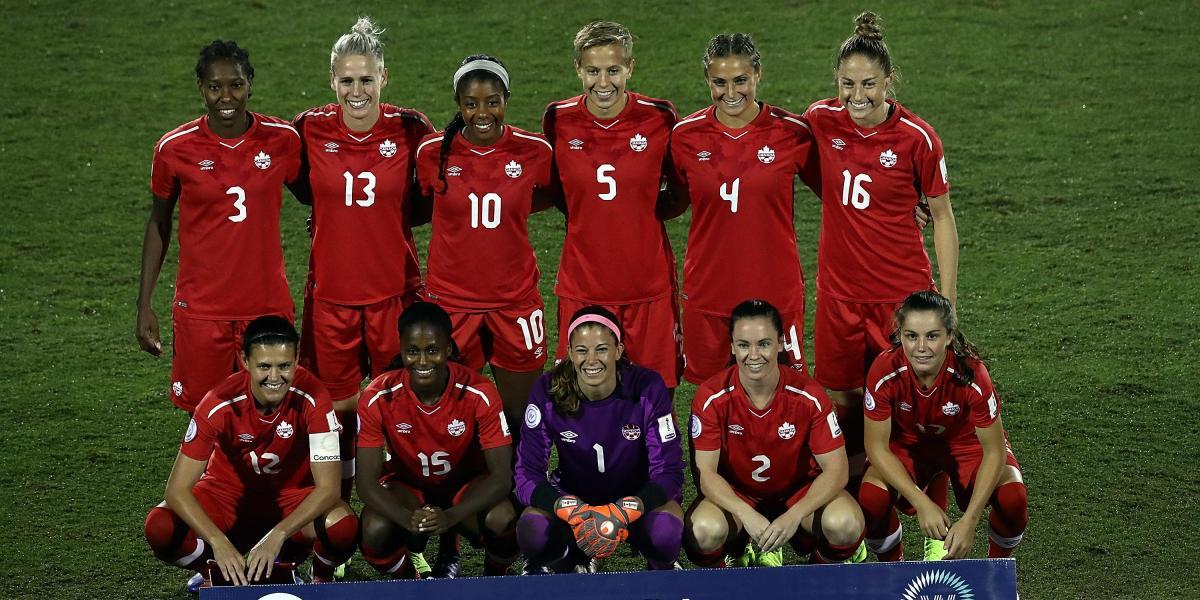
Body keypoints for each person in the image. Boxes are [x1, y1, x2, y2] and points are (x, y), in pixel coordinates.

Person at [803, 12, 959, 557]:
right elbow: (804, 170)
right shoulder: (820, 120)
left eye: (868, 84)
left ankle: (933, 537)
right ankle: (858, 528)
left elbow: (941, 215)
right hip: (840, 298)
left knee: (914, 413)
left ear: (888, 81)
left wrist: (946, 304)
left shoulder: (918, 138)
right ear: (835, 82)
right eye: (848, 84)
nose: (857, 94)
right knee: (844, 410)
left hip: (900, 302)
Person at [290, 16, 435, 500]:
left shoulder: (412, 130)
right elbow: (299, 188)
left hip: (395, 295)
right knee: (336, 416)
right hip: (331, 299)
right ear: (332, 80)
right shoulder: (308, 128)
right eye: (347, 80)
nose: (357, 91)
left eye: (366, 80)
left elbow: (426, 201)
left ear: (383, 78)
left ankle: (401, 518)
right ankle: (338, 517)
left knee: (402, 409)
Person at [137, 40, 300, 413]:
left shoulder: (283, 140)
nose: (226, 96)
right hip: (201, 309)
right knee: (204, 416)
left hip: (266, 306)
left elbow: (316, 193)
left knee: (272, 413)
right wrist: (144, 305)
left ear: (250, 84)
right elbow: (158, 223)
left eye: (236, 85)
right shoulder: (174, 149)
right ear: (201, 88)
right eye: (215, 87)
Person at [143, 316, 356, 590]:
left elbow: (328, 489)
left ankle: (319, 578)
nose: (275, 378)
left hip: (290, 501)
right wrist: (218, 543)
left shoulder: (314, 397)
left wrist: (278, 535)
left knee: (343, 526)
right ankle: (216, 572)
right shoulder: (217, 403)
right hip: (227, 500)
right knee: (160, 526)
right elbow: (176, 490)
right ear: (245, 361)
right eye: (264, 366)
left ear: (297, 358)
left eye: (284, 366)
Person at [665, 33, 821, 385]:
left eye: (741, 81)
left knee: (787, 395)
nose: (731, 93)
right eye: (719, 82)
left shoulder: (792, 134)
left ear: (758, 76)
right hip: (709, 290)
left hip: (775, 290)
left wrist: (908, 205)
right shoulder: (684, 136)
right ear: (707, 79)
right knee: (709, 398)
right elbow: (671, 199)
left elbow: (838, 190)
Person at [413, 55, 555, 434]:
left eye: (492, 101)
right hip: (452, 303)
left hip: (514, 302)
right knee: (452, 415)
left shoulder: (534, 151)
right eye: (471, 103)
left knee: (522, 416)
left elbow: (553, 196)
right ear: (458, 104)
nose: (482, 112)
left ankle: (521, 489)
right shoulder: (431, 154)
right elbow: (415, 207)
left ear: (506, 98)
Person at [542, 21, 683, 392]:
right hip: (583, 285)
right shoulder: (558, 118)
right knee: (578, 399)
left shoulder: (660, 118)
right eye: (592, 71)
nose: (603, 83)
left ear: (630, 68)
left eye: (613, 71)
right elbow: (559, 189)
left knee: (655, 396)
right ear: (578, 69)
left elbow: (682, 188)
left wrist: (643, 214)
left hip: (647, 286)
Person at [685, 300, 865, 567]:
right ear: (733, 346)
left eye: (764, 344)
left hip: (798, 493)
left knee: (845, 524)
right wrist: (745, 513)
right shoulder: (711, 397)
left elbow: (837, 470)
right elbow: (706, 475)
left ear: (780, 343)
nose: (753, 355)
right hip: (739, 495)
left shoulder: (809, 395)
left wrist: (794, 515)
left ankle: (815, 576)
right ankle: (726, 589)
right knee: (703, 531)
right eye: (744, 345)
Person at [859, 291, 1027, 560]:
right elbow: (876, 447)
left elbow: (994, 451)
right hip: (908, 444)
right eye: (912, 336)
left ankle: (997, 572)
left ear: (949, 336)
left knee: (1013, 496)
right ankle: (893, 573)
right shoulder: (884, 370)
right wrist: (921, 501)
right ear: (900, 335)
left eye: (932, 336)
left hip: (965, 442)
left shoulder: (971, 373)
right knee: (871, 498)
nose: (921, 347)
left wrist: (970, 521)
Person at [515, 306, 684, 572]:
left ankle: (660, 569)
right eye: (581, 350)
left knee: (666, 531)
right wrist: (565, 507)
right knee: (532, 529)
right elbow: (526, 473)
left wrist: (626, 510)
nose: (591, 360)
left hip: (634, 499)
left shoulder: (647, 386)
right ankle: (568, 563)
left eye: (602, 349)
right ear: (570, 354)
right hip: (575, 500)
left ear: (618, 351)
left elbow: (670, 472)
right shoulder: (548, 390)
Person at [356, 302, 518, 578]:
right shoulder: (377, 396)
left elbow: (502, 477)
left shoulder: (480, 391)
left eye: (431, 350)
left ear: (448, 349)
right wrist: (407, 518)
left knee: (503, 518)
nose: (422, 361)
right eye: (412, 351)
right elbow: (366, 484)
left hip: (464, 487)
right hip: (408, 489)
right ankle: (409, 581)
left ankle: (496, 575)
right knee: (374, 527)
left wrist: (451, 516)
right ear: (402, 351)